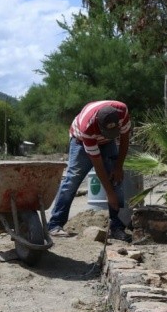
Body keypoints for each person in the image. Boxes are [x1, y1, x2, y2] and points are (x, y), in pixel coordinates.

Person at [47, 100, 133, 242]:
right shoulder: (87, 127)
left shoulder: (122, 111)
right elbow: (97, 164)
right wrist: (109, 194)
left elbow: (124, 139)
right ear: (99, 125)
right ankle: (55, 224)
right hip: (80, 141)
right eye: (106, 132)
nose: (108, 135)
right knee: (72, 180)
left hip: (107, 144)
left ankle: (117, 228)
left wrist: (118, 167)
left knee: (116, 179)